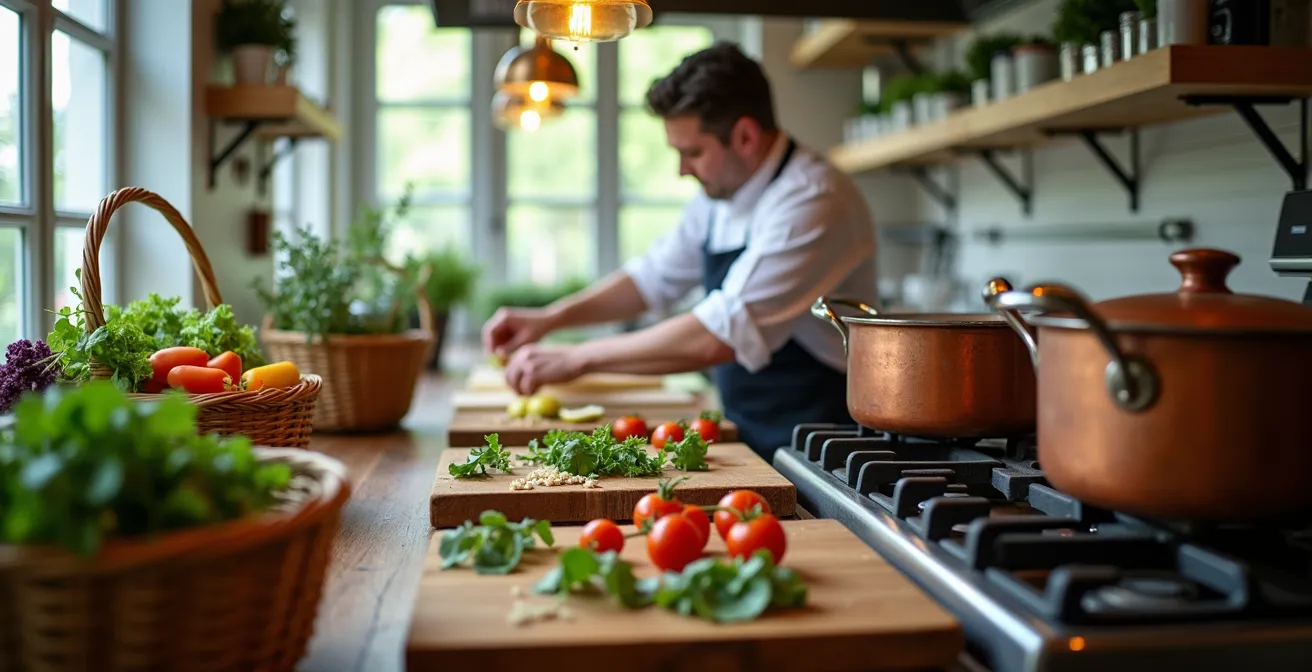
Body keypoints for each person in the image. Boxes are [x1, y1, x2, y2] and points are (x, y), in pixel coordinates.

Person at [482, 41, 878, 458]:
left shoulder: (814, 201)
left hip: (823, 441)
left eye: (693, 152)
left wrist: (575, 358)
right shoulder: (721, 195)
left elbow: (717, 335)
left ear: (744, 136)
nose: (682, 169)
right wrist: (550, 318)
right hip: (753, 427)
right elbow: (652, 280)